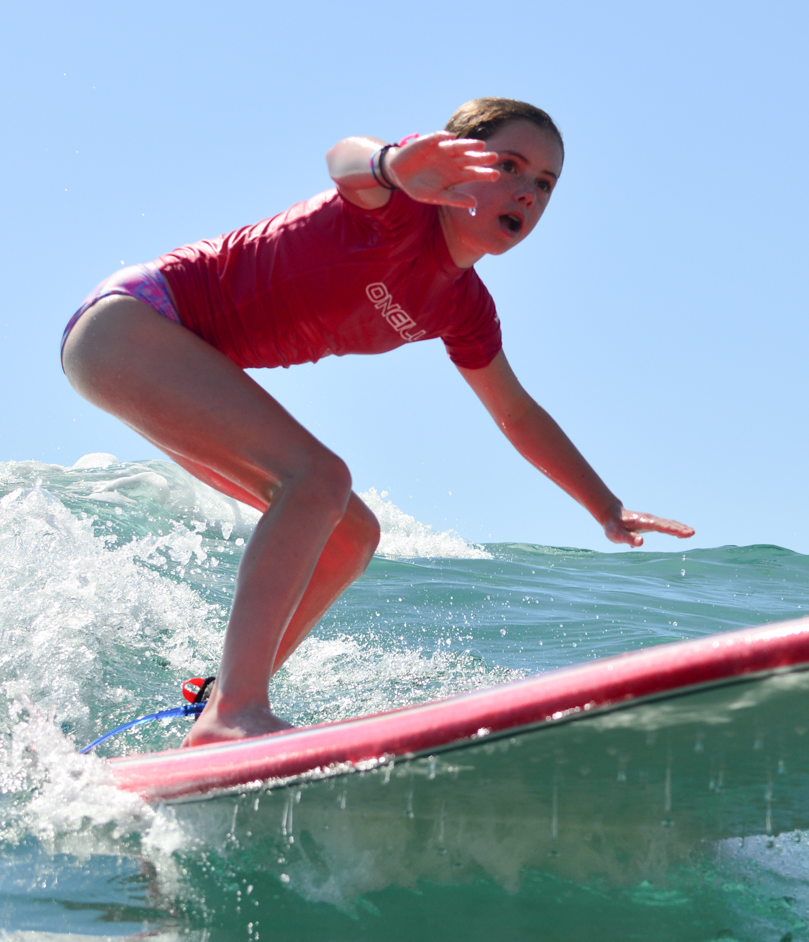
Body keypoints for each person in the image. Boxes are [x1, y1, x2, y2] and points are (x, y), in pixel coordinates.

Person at [60, 97, 693, 745]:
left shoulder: (463, 306)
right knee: (317, 478)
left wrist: (605, 507)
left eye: (545, 183)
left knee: (352, 535)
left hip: (164, 359)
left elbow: (516, 412)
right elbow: (344, 160)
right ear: (451, 162)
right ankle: (237, 710)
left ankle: (221, 702)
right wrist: (393, 164)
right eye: (509, 165)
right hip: (131, 322)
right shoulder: (397, 207)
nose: (528, 192)